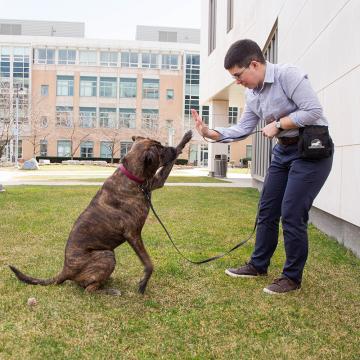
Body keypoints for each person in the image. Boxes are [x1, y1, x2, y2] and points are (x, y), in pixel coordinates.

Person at [191, 39, 333, 294]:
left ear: (254, 64)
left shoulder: (289, 76)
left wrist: (279, 124)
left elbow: (313, 111)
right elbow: (244, 128)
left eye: (238, 75)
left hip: (311, 152)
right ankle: (258, 265)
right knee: (267, 208)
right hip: (284, 151)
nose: (237, 81)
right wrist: (213, 133)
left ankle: (291, 278)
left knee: (291, 213)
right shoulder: (252, 93)